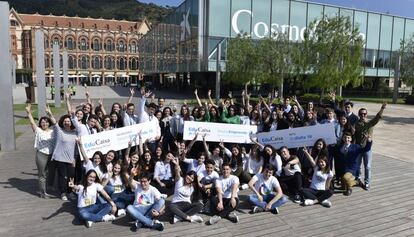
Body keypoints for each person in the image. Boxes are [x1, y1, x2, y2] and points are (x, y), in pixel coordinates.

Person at [354, 103, 386, 190]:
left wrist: (382, 108)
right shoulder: (356, 124)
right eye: (361, 114)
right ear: (358, 114)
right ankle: (358, 179)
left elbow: (377, 117)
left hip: (367, 148)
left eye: (364, 114)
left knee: (367, 166)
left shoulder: (370, 123)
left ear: (366, 114)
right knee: (357, 165)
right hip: (358, 148)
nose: (362, 115)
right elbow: (353, 135)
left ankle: (367, 182)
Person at [26, 104, 55, 198]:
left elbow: (56, 124)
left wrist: (50, 114)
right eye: (42, 122)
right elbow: (32, 123)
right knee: (42, 173)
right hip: (41, 154)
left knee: (49, 172)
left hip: (51, 154)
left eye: (46, 122)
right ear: (40, 123)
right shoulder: (38, 130)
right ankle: (43, 192)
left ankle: (48, 187)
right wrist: (29, 113)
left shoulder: (53, 131)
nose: (44, 124)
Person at [50, 114, 77, 201]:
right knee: (63, 176)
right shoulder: (59, 131)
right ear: (62, 122)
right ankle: (63, 193)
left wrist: (74, 159)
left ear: (71, 123)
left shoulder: (75, 133)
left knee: (71, 176)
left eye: (68, 121)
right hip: (60, 158)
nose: (66, 122)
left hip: (70, 159)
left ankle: (70, 192)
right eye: (65, 121)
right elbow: (54, 122)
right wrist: (50, 114)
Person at [168, 156, 204, 224]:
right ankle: (190, 218)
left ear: (193, 180)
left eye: (192, 178)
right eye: (189, 175)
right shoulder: (180, 180)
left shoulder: (192, 187)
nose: (190, 178)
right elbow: (177, 172)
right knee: (171, 206)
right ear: (186, 175)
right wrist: (177, 164)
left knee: (200, 205)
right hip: (176, 205)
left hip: (186, 205)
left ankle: (178, 218)